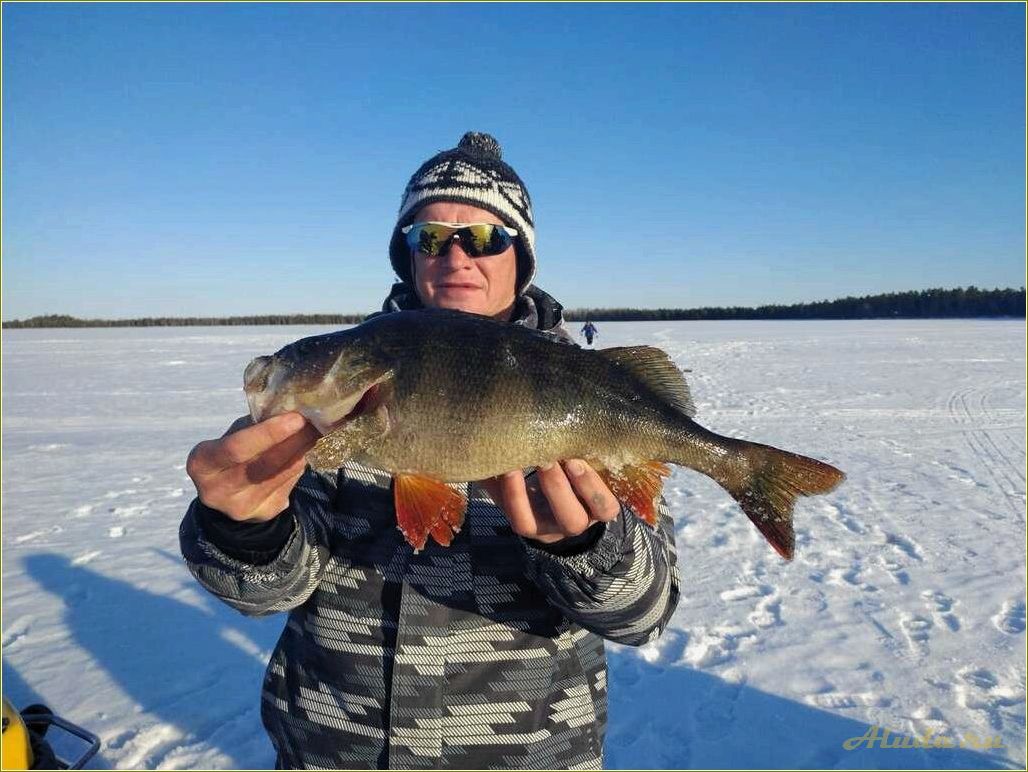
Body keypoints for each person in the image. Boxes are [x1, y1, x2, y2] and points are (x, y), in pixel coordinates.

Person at [180, 132, 681, 770]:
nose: (455, 255)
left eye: (483, 237)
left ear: (521, 257)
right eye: (429, 236)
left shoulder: (587, 386)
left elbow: (645, 616)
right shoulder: (324, 415)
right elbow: (260, 592)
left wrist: (583, 548)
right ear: (408, 258)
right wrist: (241, 528)